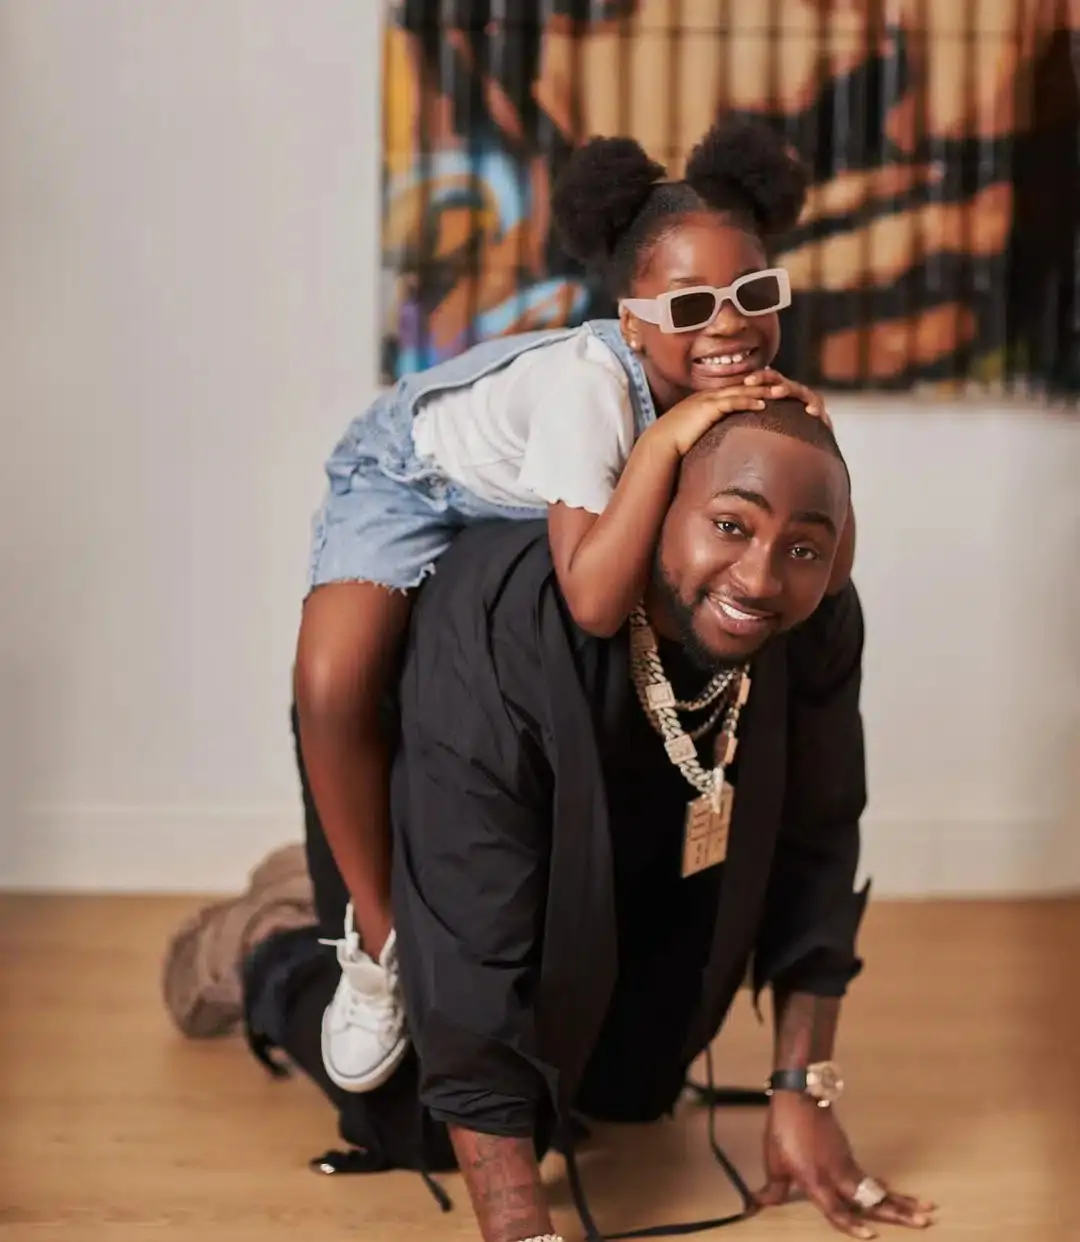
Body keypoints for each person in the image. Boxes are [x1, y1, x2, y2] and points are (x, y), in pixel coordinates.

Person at [246, 398, 934, 1241]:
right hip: (438, 819)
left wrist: (804, 1091)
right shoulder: (508, 618)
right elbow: (471, 920)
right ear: (656, 505)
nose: (760, 579)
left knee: (633, 1093)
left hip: (621, 829)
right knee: (425, 1125)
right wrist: (519, 1225)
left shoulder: (817, 617)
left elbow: (818, 835)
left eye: (803, 548)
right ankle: (267, 939)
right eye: (729, 525)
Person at [293, 114, 856, 1096]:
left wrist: (817, 447)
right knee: (334, 680)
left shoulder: (735, 388)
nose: (729, 325)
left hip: (525, 489)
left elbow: (826, 566)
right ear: (630, 321)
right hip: (410, 476)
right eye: (690, 305)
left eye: (754, 294)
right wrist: (666, 439)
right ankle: (378, 946)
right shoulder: (592, 390)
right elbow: (594, 600)